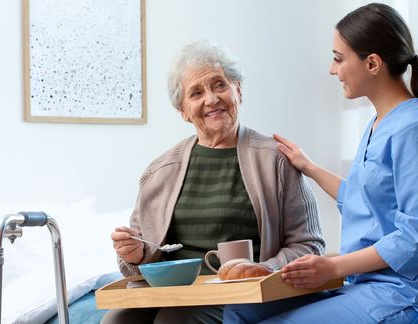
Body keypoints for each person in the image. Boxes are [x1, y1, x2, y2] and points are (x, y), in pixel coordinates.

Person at [101, 41, 325, 324]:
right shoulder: (159, 172)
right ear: (183, 110)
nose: (211, 99)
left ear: (238, 91)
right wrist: (135, 255)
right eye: (196, 92)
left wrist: (263, 269)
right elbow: (134, 266)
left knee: (174, 322)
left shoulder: (275, 160)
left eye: (219, 85)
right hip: (173, 294)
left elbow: (309, 244)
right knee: (117, 321)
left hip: (243, 295)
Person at [222, 3, 418, 323]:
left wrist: (331, 266)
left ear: (372, 63)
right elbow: (362, 200)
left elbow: (413, 236)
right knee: (239, 310)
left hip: (398, 292)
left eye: (338, 58)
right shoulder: (376, 124)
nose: (332, 69)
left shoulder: (411, 128)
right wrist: (308, 166)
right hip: (359, 284)